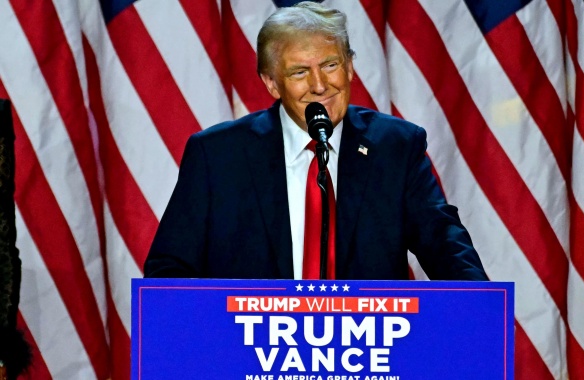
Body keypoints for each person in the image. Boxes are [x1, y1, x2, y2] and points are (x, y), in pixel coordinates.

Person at [144, 2, 488, 281]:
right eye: (299, 72)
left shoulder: (395, 147)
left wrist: (480, 311)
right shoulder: (218, 156)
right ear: (271, 83)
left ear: (350, 67)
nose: (320, 85)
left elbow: (445, 246)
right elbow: (169, 271)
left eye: (330, 64)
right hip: (250, 357)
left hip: (369, 356)